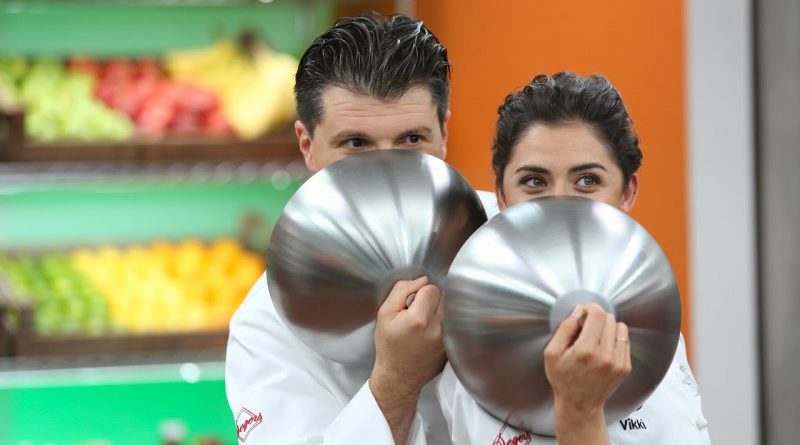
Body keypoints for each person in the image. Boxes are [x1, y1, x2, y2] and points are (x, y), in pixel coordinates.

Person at [226, 12, 497, 445]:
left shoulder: (506, 241)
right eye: (356, 144)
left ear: (444, 134)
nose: (388, 172)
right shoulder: (266, 325)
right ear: (307, 146)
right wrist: (397, 380)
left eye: (412, 140)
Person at [435, 72, 711, 444]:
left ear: (627, 192)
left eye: (587, 181)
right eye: (535, 182)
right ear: (501, 195)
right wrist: (580, 413)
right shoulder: (467, 342)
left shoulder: (650, 311)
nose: (560, 205)